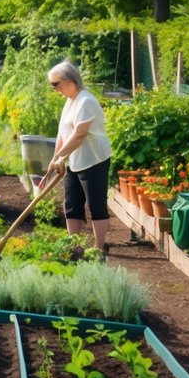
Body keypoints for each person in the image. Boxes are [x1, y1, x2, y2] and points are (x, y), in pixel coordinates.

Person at [47, 60, 112, 254]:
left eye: (55, 84)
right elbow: (62, 132)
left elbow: (79, 135)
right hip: (75, 160)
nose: (54, 89)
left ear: (69, 81)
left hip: (93, 160)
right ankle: (73, 246)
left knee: (96, 205)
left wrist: (61, 157)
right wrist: (55, 158)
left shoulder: (86, 101)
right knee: (72, 204)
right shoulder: (70, 101)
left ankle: (99, 249)